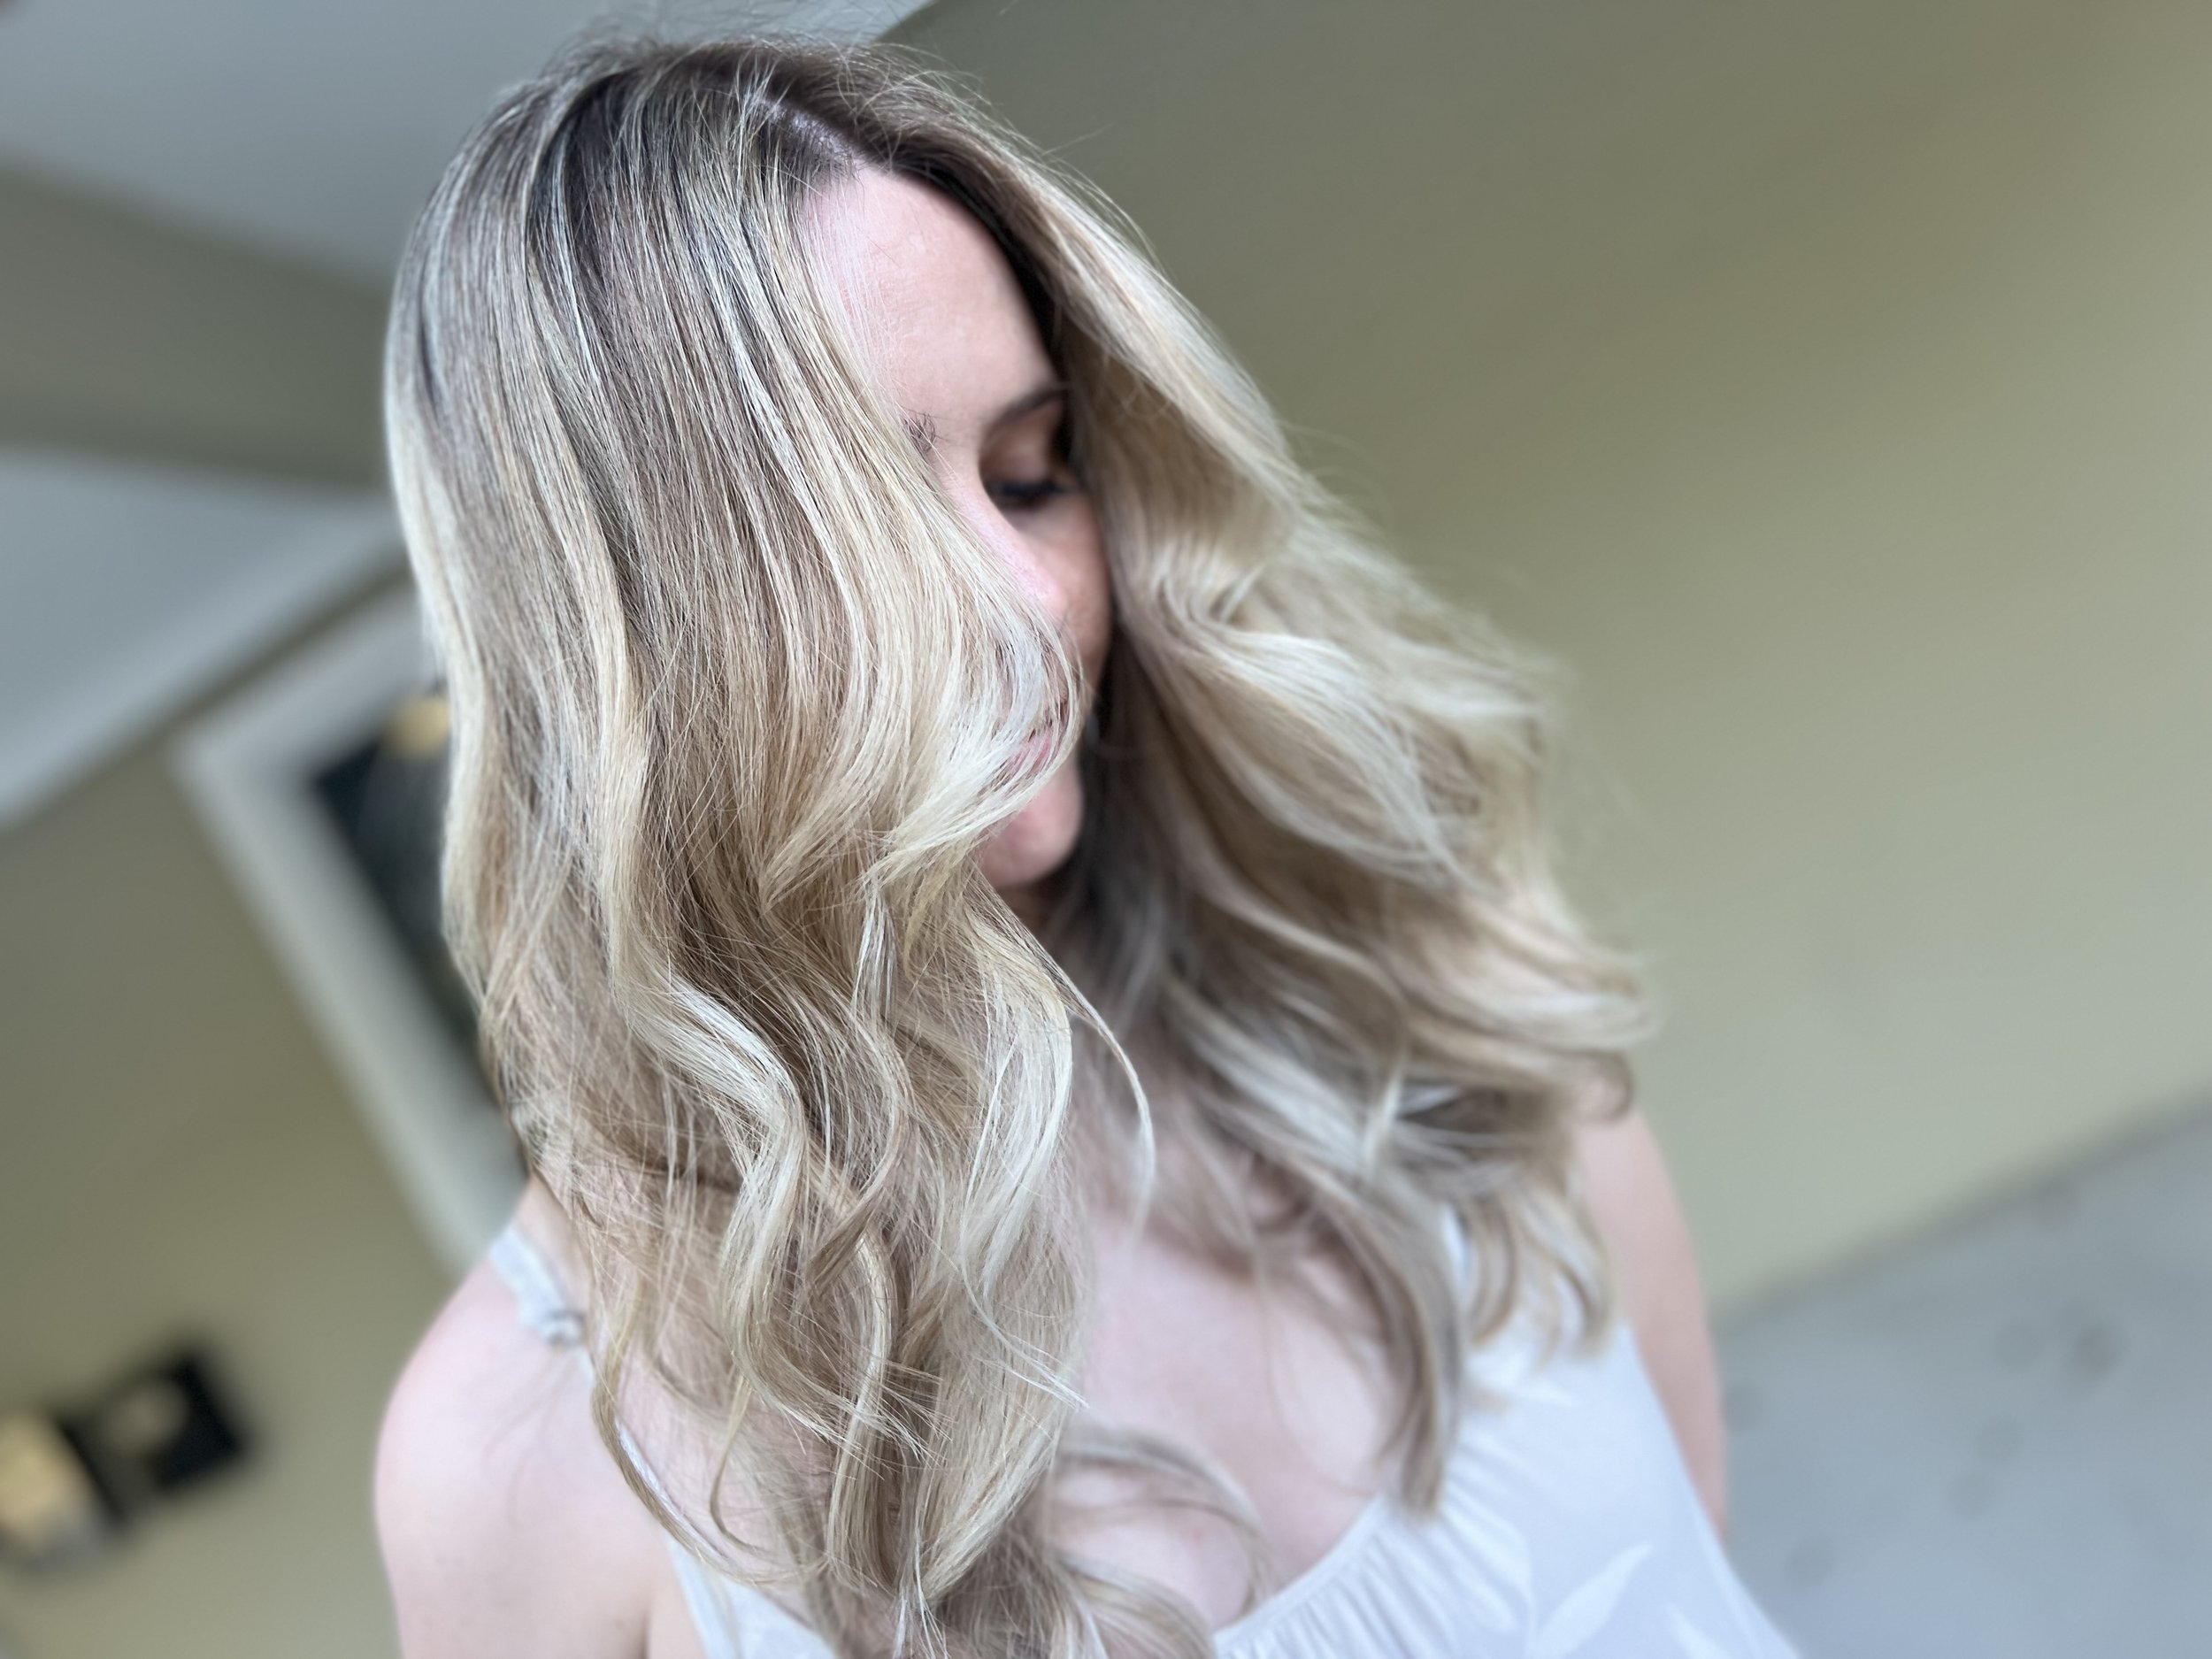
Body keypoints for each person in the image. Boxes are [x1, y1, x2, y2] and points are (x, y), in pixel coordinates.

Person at [371, 31, 1799, 1659]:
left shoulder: (1431, 998)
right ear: (624, 644)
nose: (1030, 602)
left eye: (1032, 476)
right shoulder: (520, 1453)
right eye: (877, 525)